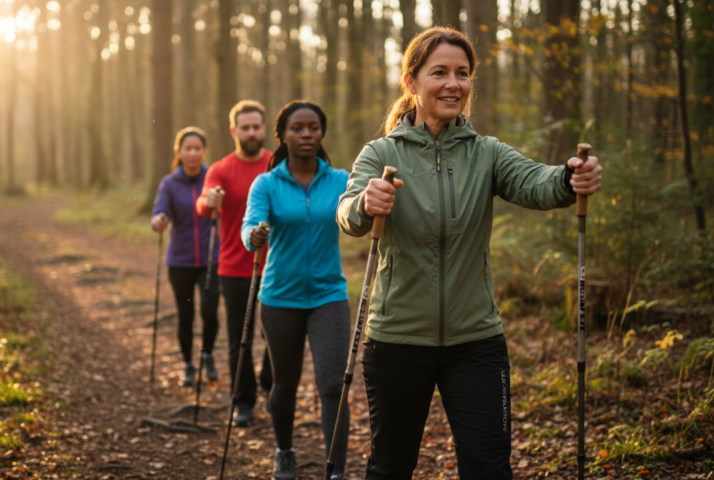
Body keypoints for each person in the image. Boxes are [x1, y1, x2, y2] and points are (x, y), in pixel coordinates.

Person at [336, 27, 603, 480]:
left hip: (476, 340)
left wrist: (568, 177)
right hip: (397, 339)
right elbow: (347, 214)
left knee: (489, 469)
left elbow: (535, 182)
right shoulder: (381, 153)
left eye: (462, 74)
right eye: (439, 72)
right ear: (411, 82)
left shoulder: (487, 153)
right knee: (390, 467)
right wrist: (366, 202)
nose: (453, 84)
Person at [242, 101, 351, 480]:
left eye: (313, 127)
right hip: (279, 298)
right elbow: (249, 225)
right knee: (283, 385)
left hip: (329, 296)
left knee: (333, 385)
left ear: (321, 133)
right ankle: (284, 452)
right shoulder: (267, 184)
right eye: (297, 128)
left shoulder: (340, 180)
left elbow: (359, 213)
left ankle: (336, 469)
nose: (306, 134)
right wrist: (254, 235)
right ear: (283, 135)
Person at [196, 100, 273, 426]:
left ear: (264, 129)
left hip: (276, 266)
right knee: (239, 339)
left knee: (275, 337)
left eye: (256, 127)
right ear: (234, 131)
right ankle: (242, 400)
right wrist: (209, 200)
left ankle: (270, 388)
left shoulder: (276, 163)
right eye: (245, 128)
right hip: (233, 267)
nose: (251, 133)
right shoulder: (221, 169)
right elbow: (203, 204)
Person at [152, 127, 220, 388]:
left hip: (211, 259)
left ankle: (207, 355)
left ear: (203, 151)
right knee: (185, 315)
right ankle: (188, 364)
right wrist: (159, 220)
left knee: (210, 313)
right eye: (187, 148)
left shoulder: (213, 178)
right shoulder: (169, 183)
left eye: (197, 148)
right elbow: (159, 211)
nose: (193, 153)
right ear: (179, 152)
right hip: (180, 262)